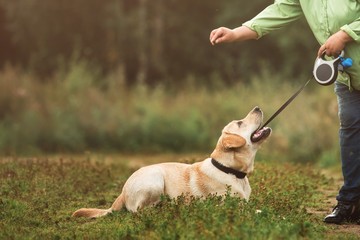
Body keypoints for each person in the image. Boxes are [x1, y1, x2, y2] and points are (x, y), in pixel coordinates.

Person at [210, 0, 360, 225]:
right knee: (350, 132)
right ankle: (351, 203)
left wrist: (344, 34)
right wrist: (235, 33)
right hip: (348, 77)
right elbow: (278, 11)